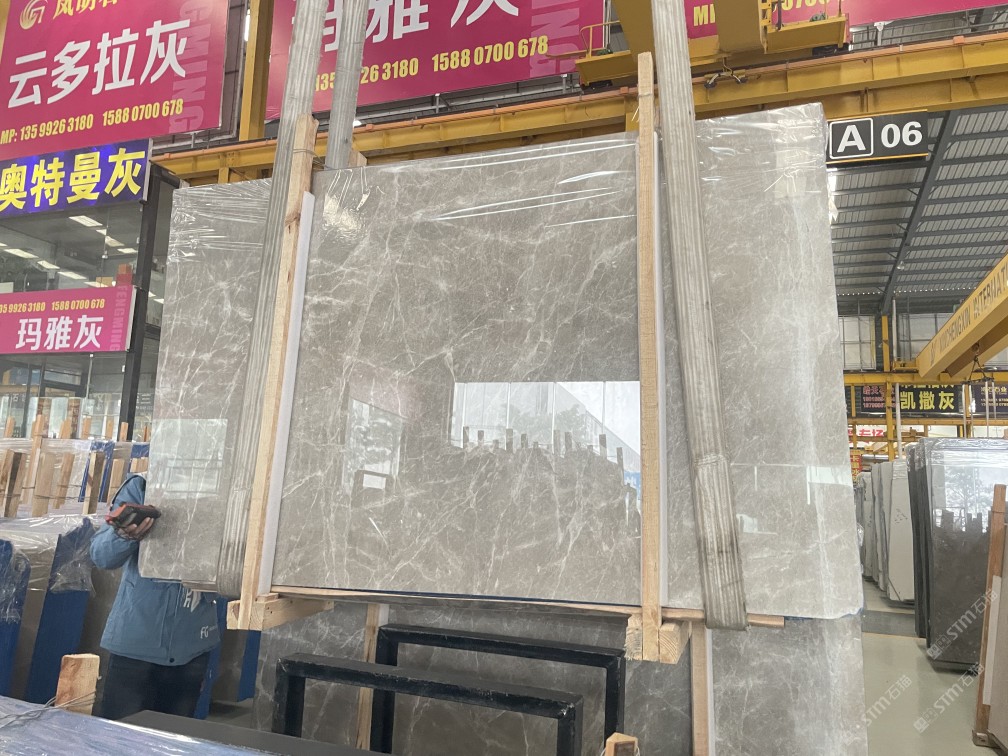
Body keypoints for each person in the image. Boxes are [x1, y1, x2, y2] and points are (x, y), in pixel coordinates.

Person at [90, 473, 221, 720]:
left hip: (193, 643)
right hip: (137, 641)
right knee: (122, 736)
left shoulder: (226, 486)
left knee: (175, 737)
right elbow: (102, 556)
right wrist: (124, 535)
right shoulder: (144, 485)